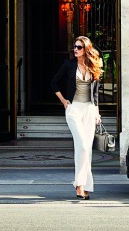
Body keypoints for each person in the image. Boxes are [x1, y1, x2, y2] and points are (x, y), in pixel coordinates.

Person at [51, 35, 102, 200]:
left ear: (86, 49)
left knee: (86, 149)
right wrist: (64, 101)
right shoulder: (69, 64)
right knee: (83, 146)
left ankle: (84, 186)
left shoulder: (94, 66)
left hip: (89, 110)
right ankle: (79, 184)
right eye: (74, 46)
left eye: (79, 47)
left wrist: (97, 113)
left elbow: (95, 94)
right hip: (74, 110)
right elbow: (54, 83)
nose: (75, 49)